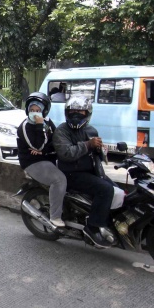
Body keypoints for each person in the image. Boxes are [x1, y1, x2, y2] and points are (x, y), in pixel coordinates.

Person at [53, 95, 116, 248]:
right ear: (67, 112)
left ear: (87, 114)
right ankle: (92, 228)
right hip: (71, 173)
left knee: (117, 191)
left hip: (91, 171)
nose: (76, 114)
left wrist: (100, 149)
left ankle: (108, 224)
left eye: (80, 112)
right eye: (72, 111)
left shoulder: (91, 130)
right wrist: (88, 144)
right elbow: (66, 153)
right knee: (105, 190)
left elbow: (96, 154)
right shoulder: (61, 131)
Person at [17, 92, 67, 227]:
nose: (34, 113)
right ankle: (55, 217)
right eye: (32, 110)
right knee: (59, 180)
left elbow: (55, 141)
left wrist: (45, 150)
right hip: (33, 162)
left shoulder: (48, 122)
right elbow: (37, 146)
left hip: (47, 157)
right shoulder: (25, 127)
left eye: (38, 110)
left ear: (44, 111)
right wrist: (40, 127)